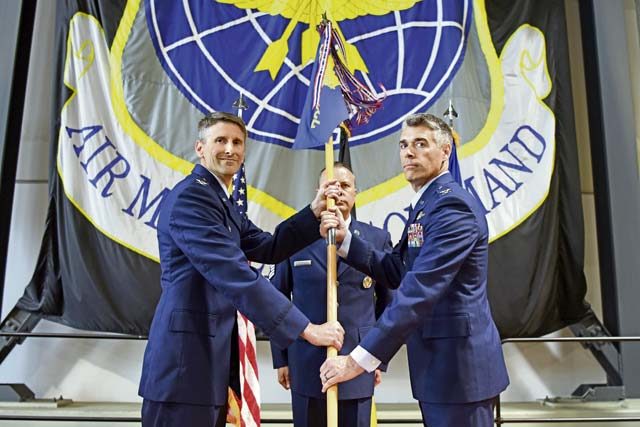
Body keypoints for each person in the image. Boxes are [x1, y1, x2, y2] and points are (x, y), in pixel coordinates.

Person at [138, 112, 345, 427]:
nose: (230, 149)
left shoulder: (220, 201)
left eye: (237, 142)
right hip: (184, 364)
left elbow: (268, 247)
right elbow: (234, 273)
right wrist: (306, 329)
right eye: (220, 140)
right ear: (200, 148)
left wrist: (313, 213)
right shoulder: (192, 198)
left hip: (208, 363)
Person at [318, 113, 509, 427]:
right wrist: (344, 240)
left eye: (421, 144)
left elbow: (418, 292)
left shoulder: (452, 208)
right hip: (439, 369)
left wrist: (357, 361)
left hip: (459, 371)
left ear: (445, 151)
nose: (408, 152)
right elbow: (397, 269)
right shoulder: (427, 203)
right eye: (404, 145)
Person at [270, 163, 393, 427]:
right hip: (305, 362)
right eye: (330, 186)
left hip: (357, 362)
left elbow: (389, 303)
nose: (338, 192)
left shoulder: (377, 240)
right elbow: (277, 298)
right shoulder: (295, 238)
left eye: (345, 186)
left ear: (356, 193)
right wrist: (281, 358)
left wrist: (376, 357)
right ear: (318, 191)